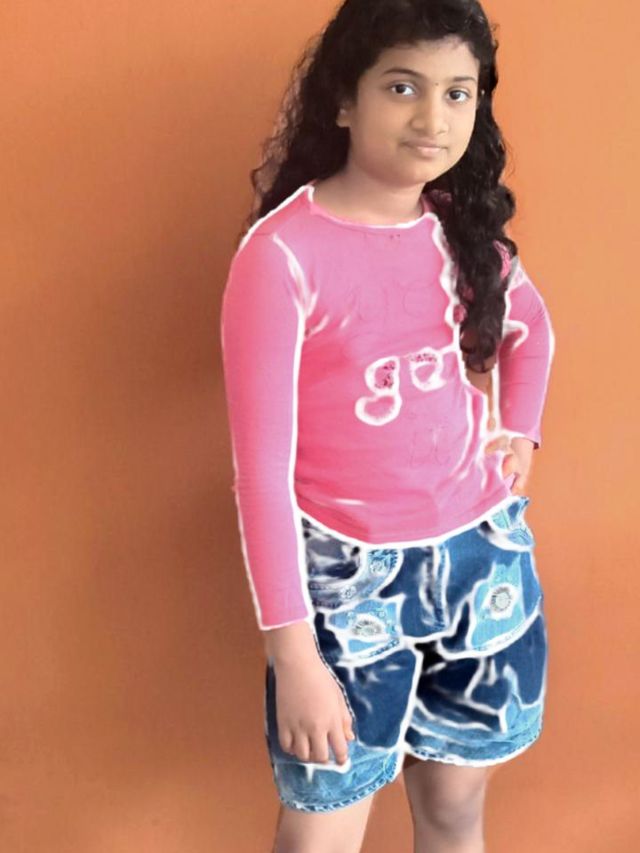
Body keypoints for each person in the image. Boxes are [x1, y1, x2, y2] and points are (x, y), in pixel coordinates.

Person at [220, 0, 556, 850]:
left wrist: (519, 429)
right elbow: (261, 474)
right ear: (345, 98)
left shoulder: (459, 231)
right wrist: (293, 653)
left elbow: (532, 328)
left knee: (453, 811)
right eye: (403, 87)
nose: (433, 118)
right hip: (345, 586)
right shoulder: (281, 257)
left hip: (482, 561)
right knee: (321, 833)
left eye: (458, 92)